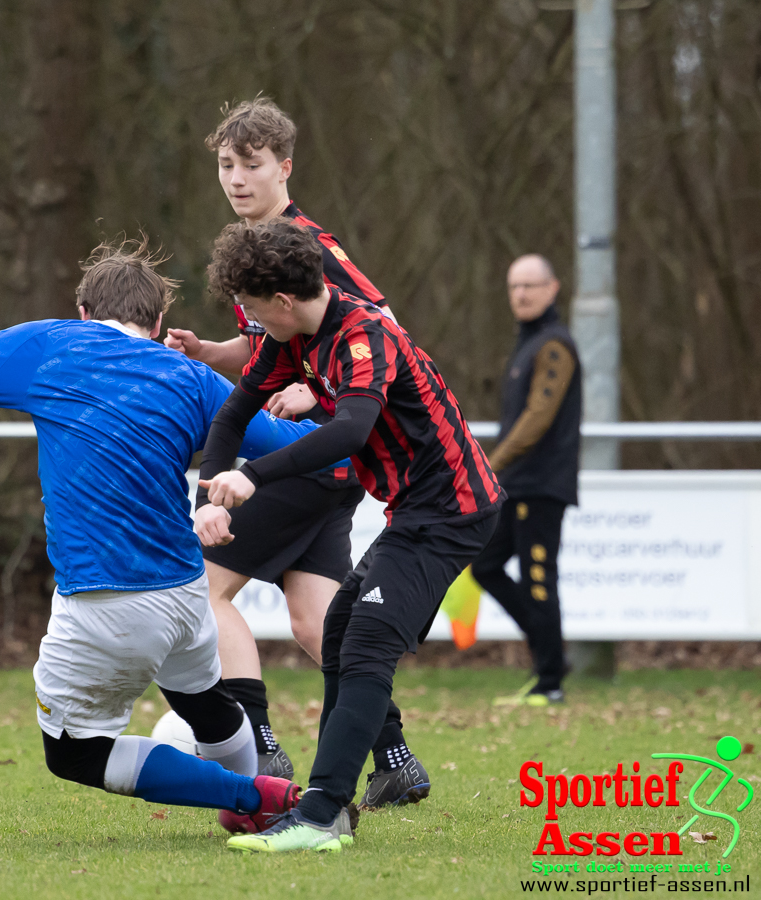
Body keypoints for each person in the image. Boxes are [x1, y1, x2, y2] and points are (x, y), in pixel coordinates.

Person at [0, 241, 323, 835]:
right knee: (205, 707)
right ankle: (248, 811)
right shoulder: (193, 376)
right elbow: (292, 449)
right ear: (157, 325)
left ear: (83, 312)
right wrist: (321, 405)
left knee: (73, 752)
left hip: (104, 600)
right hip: (186, 593)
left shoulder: (52, 343)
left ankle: (255, 795)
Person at [195, 220, 502, 853]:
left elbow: (349, 431)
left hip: (452, 510)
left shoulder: (364, 334)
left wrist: (252, 476)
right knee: (336, 631)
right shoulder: (295, 338)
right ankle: (329, 805)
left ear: (282, 302)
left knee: (362, 646)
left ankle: (321, 813)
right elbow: (233, 412)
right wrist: (209, 497)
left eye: (253, 311)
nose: (250, 324)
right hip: (414, 510)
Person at [164, 97, 427, 812]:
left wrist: (323, 390)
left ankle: (258, 741)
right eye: (226, 164)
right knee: (319, 623)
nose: (237, 179)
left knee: (203, 588)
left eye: (252, 165)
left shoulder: (308, 243)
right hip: (325, 467)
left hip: (314, 455)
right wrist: (212, 352)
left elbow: (383, 329)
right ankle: (395, 759)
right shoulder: (255, 248)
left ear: (285, 168)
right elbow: (268, 352)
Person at [471, 254, 580, 706]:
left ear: (552, 289)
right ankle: (550, 651)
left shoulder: (555, 345)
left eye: (530, 286)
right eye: (515, 286)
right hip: (517, 484)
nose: (521, 294)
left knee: (538, 579)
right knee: (485, 565)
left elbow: (539, 417)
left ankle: (550, 680)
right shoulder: (526, 346)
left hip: (540, 485)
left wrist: (491, 464)